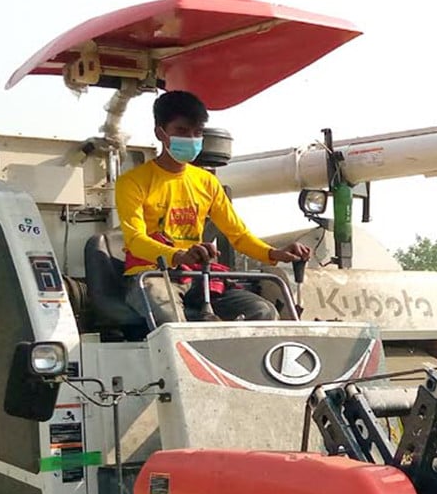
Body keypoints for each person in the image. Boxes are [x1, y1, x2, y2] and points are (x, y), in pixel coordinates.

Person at [115, 90, 311, 324]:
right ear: (161, 133)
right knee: (173, 322)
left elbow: (238, 235)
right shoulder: (133, 182)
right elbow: (135, 239)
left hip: (198, 275)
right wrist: (178, 255)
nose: (190, 138)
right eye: (181, 131)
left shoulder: (207, 182)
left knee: (263, 312)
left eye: (196, 133)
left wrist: (273, 253)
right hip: (151, 275)